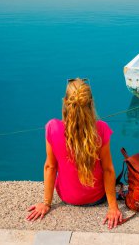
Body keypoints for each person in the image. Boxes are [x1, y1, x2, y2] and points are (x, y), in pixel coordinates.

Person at [26, 78, 123, 229]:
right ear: (91, 103)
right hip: (97, 197)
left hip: (67, 197)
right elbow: (108, 169)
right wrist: (112, 207)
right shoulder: (102, 129)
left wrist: (46, 202)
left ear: (65, 101)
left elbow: (50, 167)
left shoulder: (52, 127)